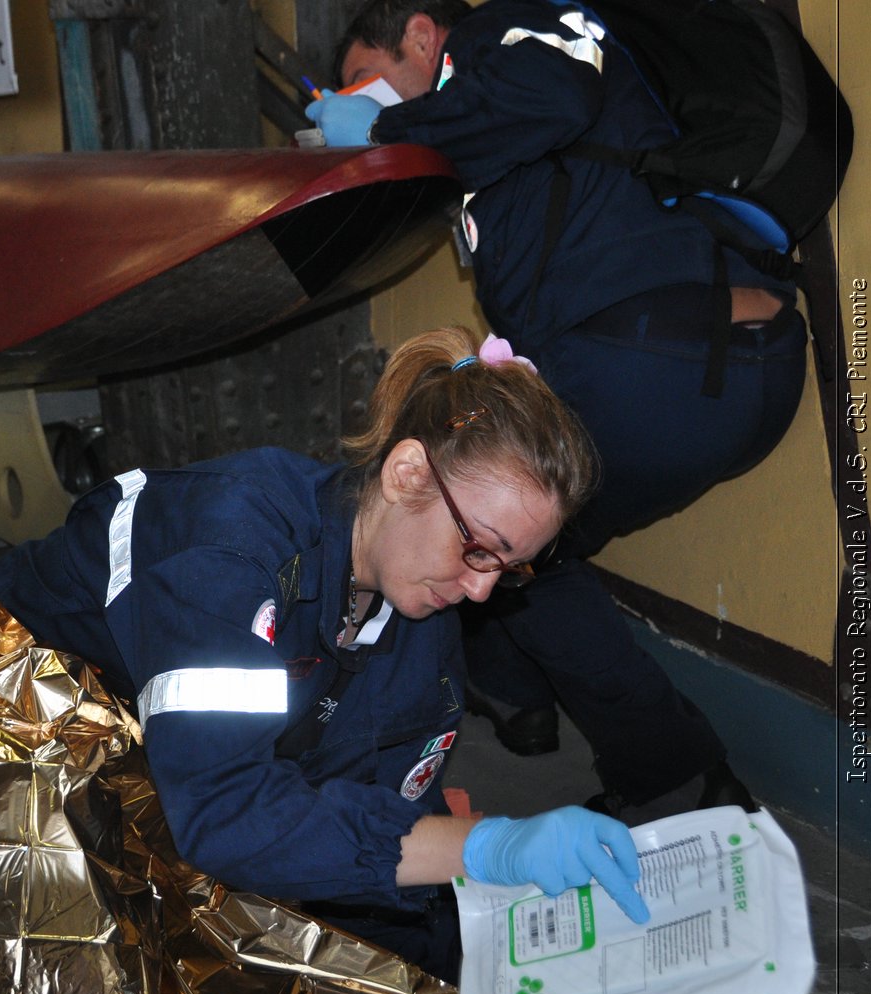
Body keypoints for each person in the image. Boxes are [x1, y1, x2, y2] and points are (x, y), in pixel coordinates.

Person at [0, 327, 649, 982]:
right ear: (406, 473)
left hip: (149, 763)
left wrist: (481, 974)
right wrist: (483, 846)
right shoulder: (233, 549)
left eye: (510, 568)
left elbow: (378, 820)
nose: (480, 589)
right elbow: (227, 814)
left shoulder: (418, 601)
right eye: (479, 546)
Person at [307, 0, 803, 815]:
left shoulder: (509, 31)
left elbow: (558, 97)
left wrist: (384, 129)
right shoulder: (490, 119)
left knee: (502, 542)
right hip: (730, 361)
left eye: (367, 77)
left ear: (423, 35)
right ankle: (513, 693)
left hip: (657, 360)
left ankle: (674, 776)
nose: (364, 98)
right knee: (518, 539)